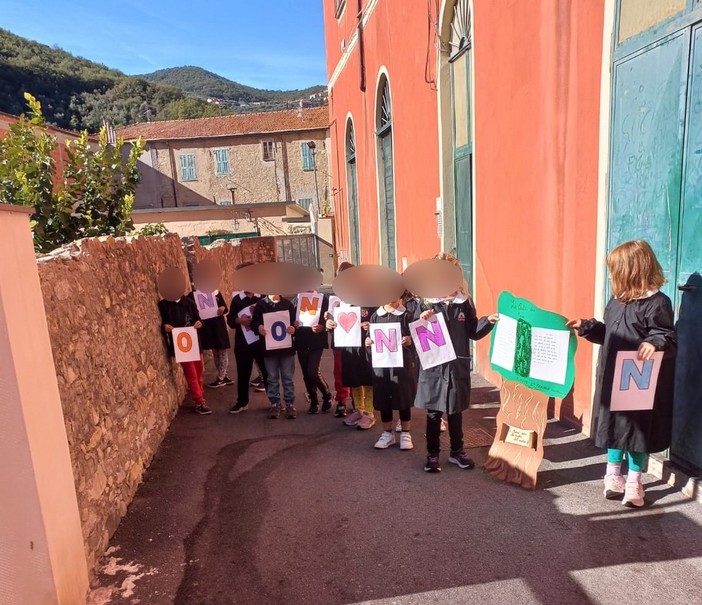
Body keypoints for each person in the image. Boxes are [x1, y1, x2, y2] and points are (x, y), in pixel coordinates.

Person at [567, 240, 676, 508]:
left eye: (615, 270)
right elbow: (609, 334)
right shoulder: (617, 301)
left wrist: (655, 343)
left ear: (632, 271)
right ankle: (613, 475)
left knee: (638, 430)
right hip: (612, 374)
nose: (611, 276)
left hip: (639, 378)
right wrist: (587, 327)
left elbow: (666, 335)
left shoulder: (657, 302)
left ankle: (634, 480)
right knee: (613, 426)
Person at [414, 253, 498, 472]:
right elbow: (412, 329)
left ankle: (457, 452)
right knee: (434, 413)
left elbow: (473, 331)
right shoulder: (424, 301)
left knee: (455, 411)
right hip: (434, 366)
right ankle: (432, 454)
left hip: (456, 367)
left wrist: (487, 322)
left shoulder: (464, 302)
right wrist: (421, 319)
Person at [365, 294, 418, 450]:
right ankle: (387, 433)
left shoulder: (407, 316)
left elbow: (416, 338)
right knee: (383, 398)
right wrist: (368, 343)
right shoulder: (376, 316)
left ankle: (405, 433)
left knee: (403, 397)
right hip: (382, 365)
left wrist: (410, 341)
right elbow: (370, 338)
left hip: (401, 365)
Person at [158, 294, 211, 415]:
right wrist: (165, 327)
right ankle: (199, 401)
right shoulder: (164, 305)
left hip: (194, 342)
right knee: (191, 373)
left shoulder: (189, 302)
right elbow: (163, 323)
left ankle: (200, 395)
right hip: (180, 345)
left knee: (199, 370)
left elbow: (199, 320)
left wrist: (199, 323)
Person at [251, 293, 297, 419]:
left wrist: (293, 328)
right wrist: (259, 327)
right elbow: (254, 323)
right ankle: (275, 403)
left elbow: (294, 324)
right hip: (269, 349)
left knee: (288, 377)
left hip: (286, 348)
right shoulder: (261, 305)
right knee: (272, 377)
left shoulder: (288, 305)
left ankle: (289, 404)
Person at [227, 276, 268, 413]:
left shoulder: (263, 297)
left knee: (267, 372)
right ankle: (242, 402)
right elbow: (230, 321)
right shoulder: (237, 299)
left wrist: (258, 316)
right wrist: (240, 320)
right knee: (243, 374)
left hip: (260, 342)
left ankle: (274, 401)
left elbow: (270, 316)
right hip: (243, 344)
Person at [295, 291, 333, 414]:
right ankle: (314, 401)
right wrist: (293, 324)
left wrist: (322, 326)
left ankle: (326, 394)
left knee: (313, 371)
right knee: (306, 373)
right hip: (301, 340)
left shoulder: (323, 298)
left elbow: (329, 317)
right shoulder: (297, 298)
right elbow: (291, 317)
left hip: (317, 341)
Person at [189, 288, 233, 389]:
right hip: (207, 328)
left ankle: (221, 378)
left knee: (222, 350)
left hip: (218, 326)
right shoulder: (192, 295)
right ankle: (223, 375)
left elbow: (225, 307)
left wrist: (222, 308)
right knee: (215, 351)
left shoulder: (216, 291)